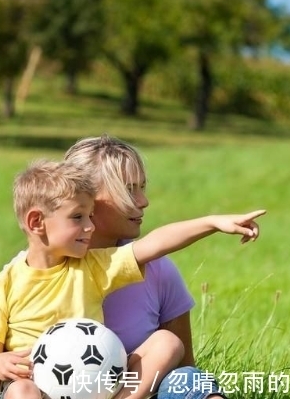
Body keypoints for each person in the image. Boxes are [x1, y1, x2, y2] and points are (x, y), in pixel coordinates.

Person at [0, 159, 263, 399]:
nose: (89, 226)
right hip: (37, 389)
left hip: (97, 387)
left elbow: (155, 243)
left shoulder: (94, 267)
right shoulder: (4, 284)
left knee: (167, 342)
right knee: (22, 391)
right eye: (78, 217)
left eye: (90, 216)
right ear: (37, 222)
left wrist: (213, 223)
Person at [65, 134, 231, 399]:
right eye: (129, 189)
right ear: (87, 200)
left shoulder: (157, 271)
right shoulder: (38, 270)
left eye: (142, 187)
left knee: (190, 380)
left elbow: (183, 371)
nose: (143, 201)